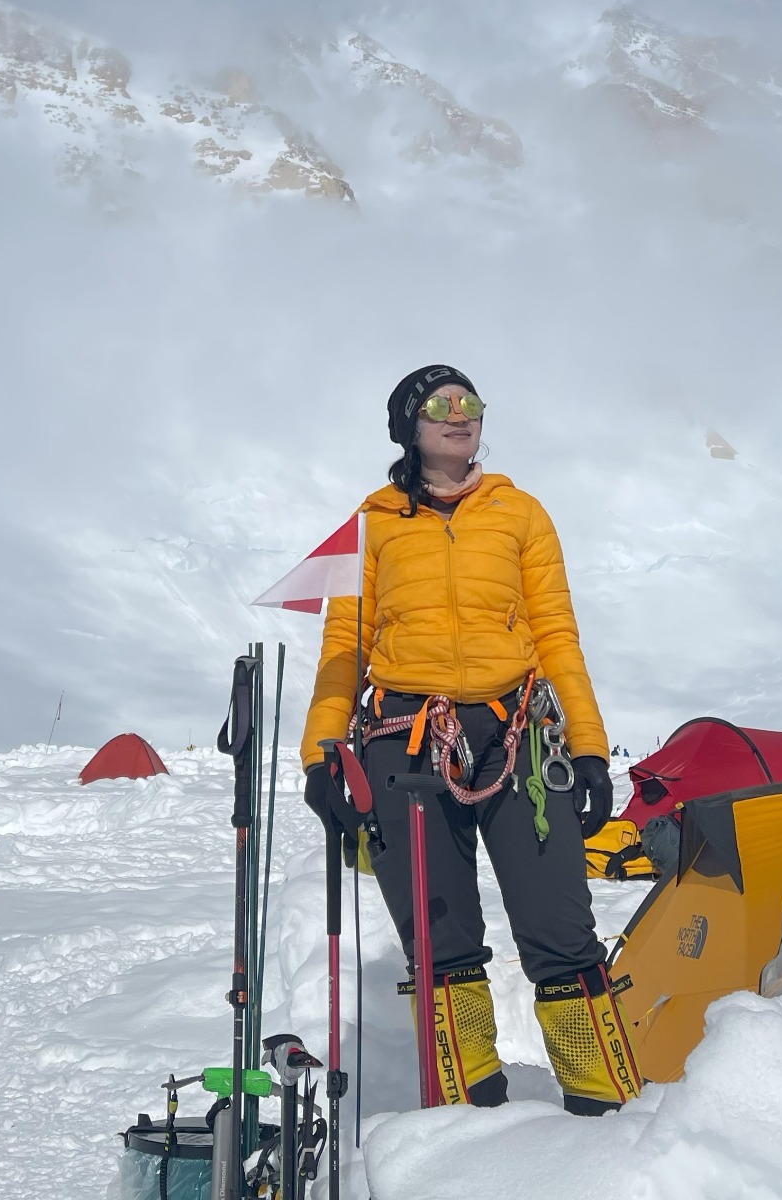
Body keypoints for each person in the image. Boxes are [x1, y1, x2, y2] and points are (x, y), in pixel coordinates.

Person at [300, 364, 641, 1116]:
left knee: (560, 927)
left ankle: (608, 1118)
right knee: (440, 939)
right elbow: (342, 647)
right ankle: (466, 1135)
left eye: (471, 403)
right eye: (440, 405)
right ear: (408, 427)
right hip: (402, 738)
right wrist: (323, 755)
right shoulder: (374, 523)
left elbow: (557, 635)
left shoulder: (521, 514)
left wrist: (586, 746)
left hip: (517, 731)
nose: (461, 415)